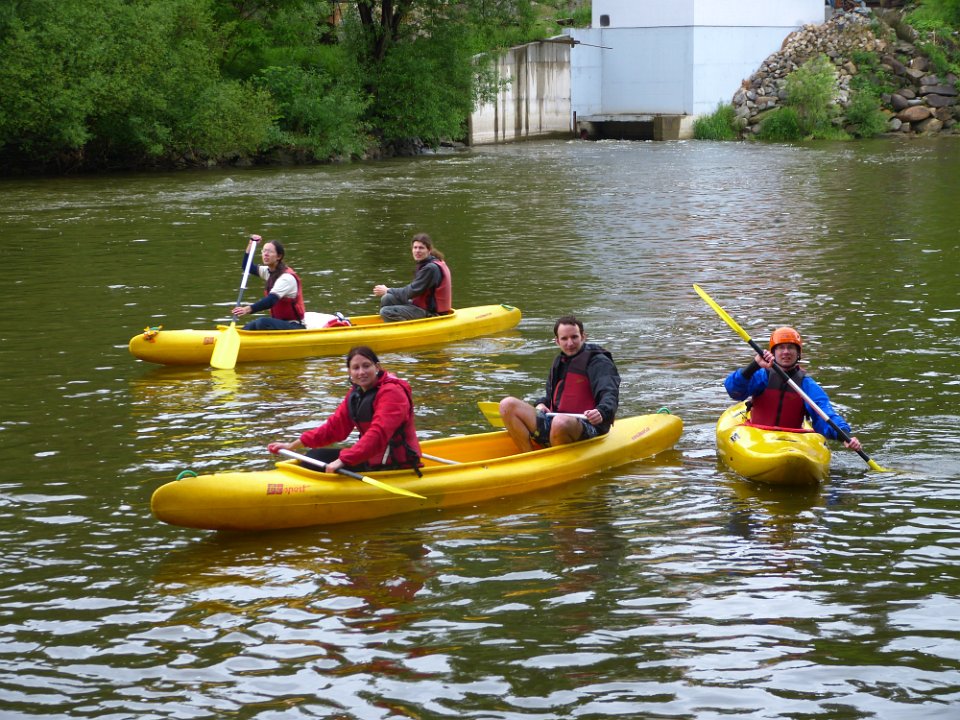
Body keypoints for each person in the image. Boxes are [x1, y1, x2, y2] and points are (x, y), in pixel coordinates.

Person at [267, 346, 422, 474]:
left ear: (377, 367)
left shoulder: (393, 393)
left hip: (395, 465)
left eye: (366, 366)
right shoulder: (356, 393)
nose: (361, 372)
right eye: (355, 368)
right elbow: (334, 427)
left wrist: (343, 460)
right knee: (314, 455)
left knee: (320, 461)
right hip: (370, 458)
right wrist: (292, 445)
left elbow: (378, 434)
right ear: (350, 373)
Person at [724, 326, 862, 451]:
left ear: (798, 353)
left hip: (793, 441)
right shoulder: (762, 375)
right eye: (781, 347)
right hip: (758, 435)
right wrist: (754, 365)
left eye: (791, 347)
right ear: (773, 352)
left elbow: (825, 414)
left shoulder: (806, 384)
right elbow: (734, 391)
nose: (786, 352)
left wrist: (845, 435)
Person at [499, 315, 620, 453]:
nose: (570, 343)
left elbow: (610, 393)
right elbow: (550, 396)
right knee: (507, 405)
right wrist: (541, 403)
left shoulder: (599, 362)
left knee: (560, 422)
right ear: (557, 341)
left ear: (583, 336)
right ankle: (528, 455)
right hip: (556, 420)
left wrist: (601, 411)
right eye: (564, 338)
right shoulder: (559, 361)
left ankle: (557, 460)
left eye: (574, 337)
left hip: (590, 425)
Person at [231, 234, 306, 330]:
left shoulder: (286, 278)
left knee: (262, 322)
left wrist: (247, 309)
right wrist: (251, 244)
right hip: (279, 323)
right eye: (264, 251)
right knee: (251, 325)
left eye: (270, 252)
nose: (265, 254)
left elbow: (271, 300)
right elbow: (247, 266)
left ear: (279, 256)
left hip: (295, 326)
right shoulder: (268, 271)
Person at [373, 233, 452, 322]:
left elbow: (410, 292)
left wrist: (387, 290)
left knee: (386, 311)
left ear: (429, 250)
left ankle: (406, 330)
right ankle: (393, 323)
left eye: (421, 248)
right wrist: (388, 292)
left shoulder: (431, 268)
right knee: (387, 298)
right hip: (422, 306)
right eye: (415, 247)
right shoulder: (429, 263)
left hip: (432, 313)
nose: (417, 251)